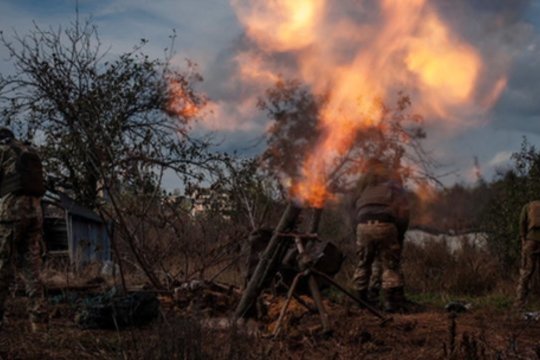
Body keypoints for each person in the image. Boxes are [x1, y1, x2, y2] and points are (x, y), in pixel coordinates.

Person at [0, 128, 47, 332]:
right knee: (32, 266)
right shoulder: (27, 149)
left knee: (2, 264)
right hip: (35, 210)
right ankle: (38, 320)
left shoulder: (2, 150)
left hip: (12, 210)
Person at [350, 158, 410, 313]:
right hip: (386, 224)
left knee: (363, 263)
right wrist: (400, 234)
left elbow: (352, 209)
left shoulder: (363, 185)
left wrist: (356, 230)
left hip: (363, 225)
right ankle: (391, 303)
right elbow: (404, 212)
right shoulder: (393, 184)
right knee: (390, 265)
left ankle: (360, 301)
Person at [514, 200, 540, 309]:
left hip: (531, 241)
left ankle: (519, 303)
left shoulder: (528, 206)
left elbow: (522, 223)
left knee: (526, 272)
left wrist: (523, 239)